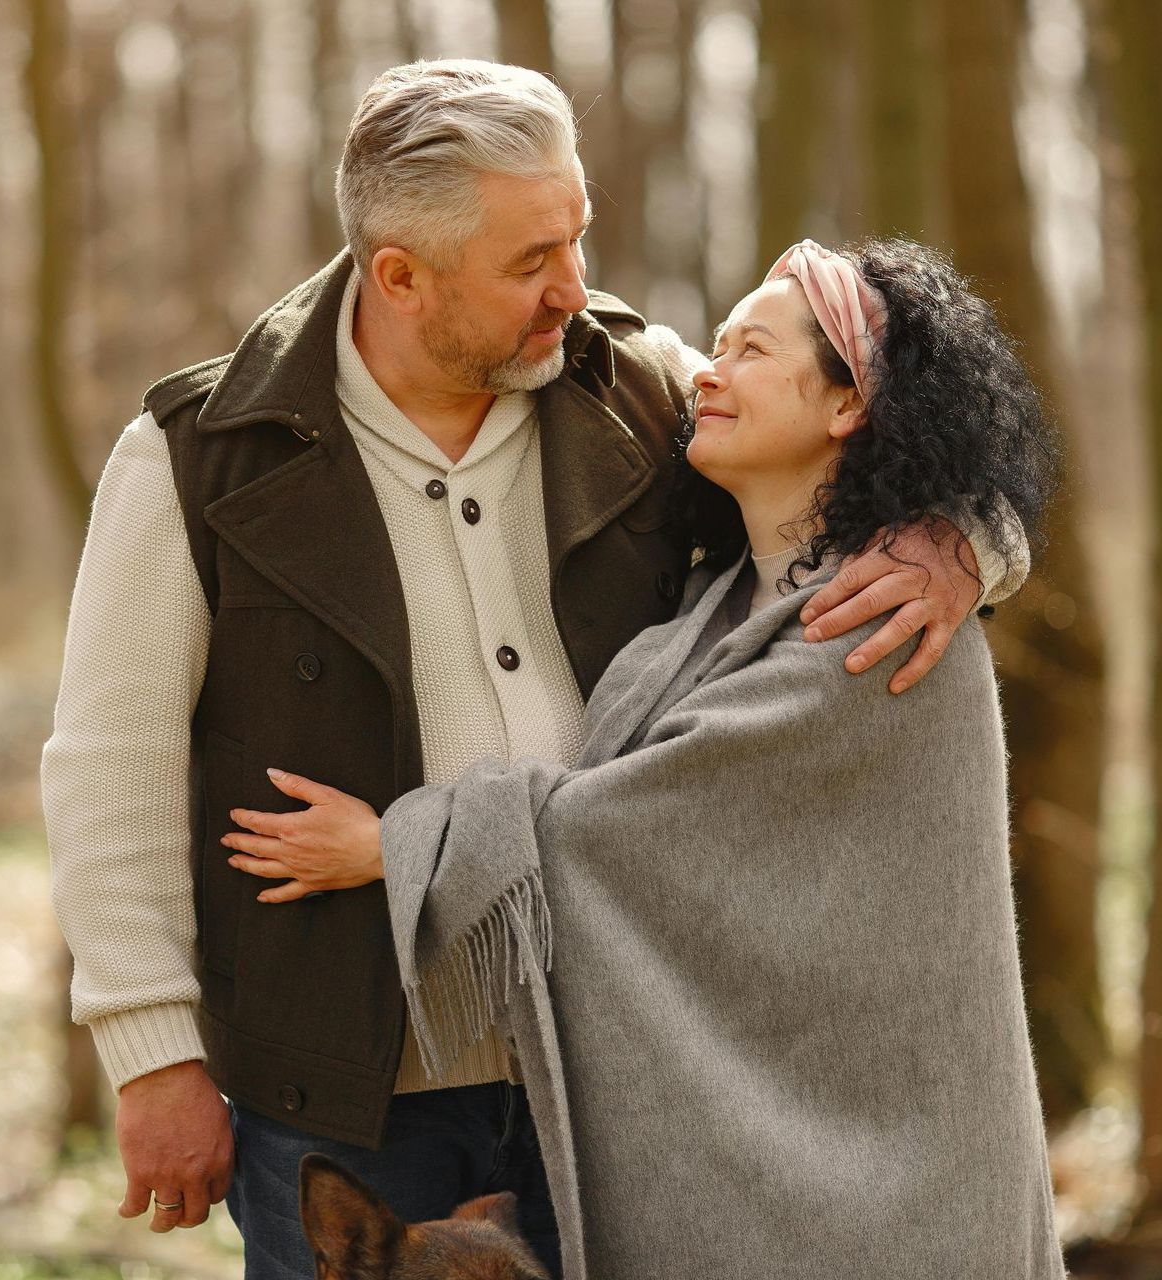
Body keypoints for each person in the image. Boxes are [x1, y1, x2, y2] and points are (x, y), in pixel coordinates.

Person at [41, 60, 1025, 1280]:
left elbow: (875, 442)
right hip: (348, 1089)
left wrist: (964, 540)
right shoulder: (200, 457)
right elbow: (111, 764)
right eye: (527, 261)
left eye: (575, 236)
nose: (572, 287)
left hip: (618, 1068)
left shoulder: (638, 386)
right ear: (400, 275)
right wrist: (153, 1053)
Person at [224, 238, 1065, 1279]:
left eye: (750, 349)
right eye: (712, 343)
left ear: (849, 406)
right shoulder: (706, 611)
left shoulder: (885, 627)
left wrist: (397, 844)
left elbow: (631, 826)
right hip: (773, 1187)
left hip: (896, 1195)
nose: (704, 371)